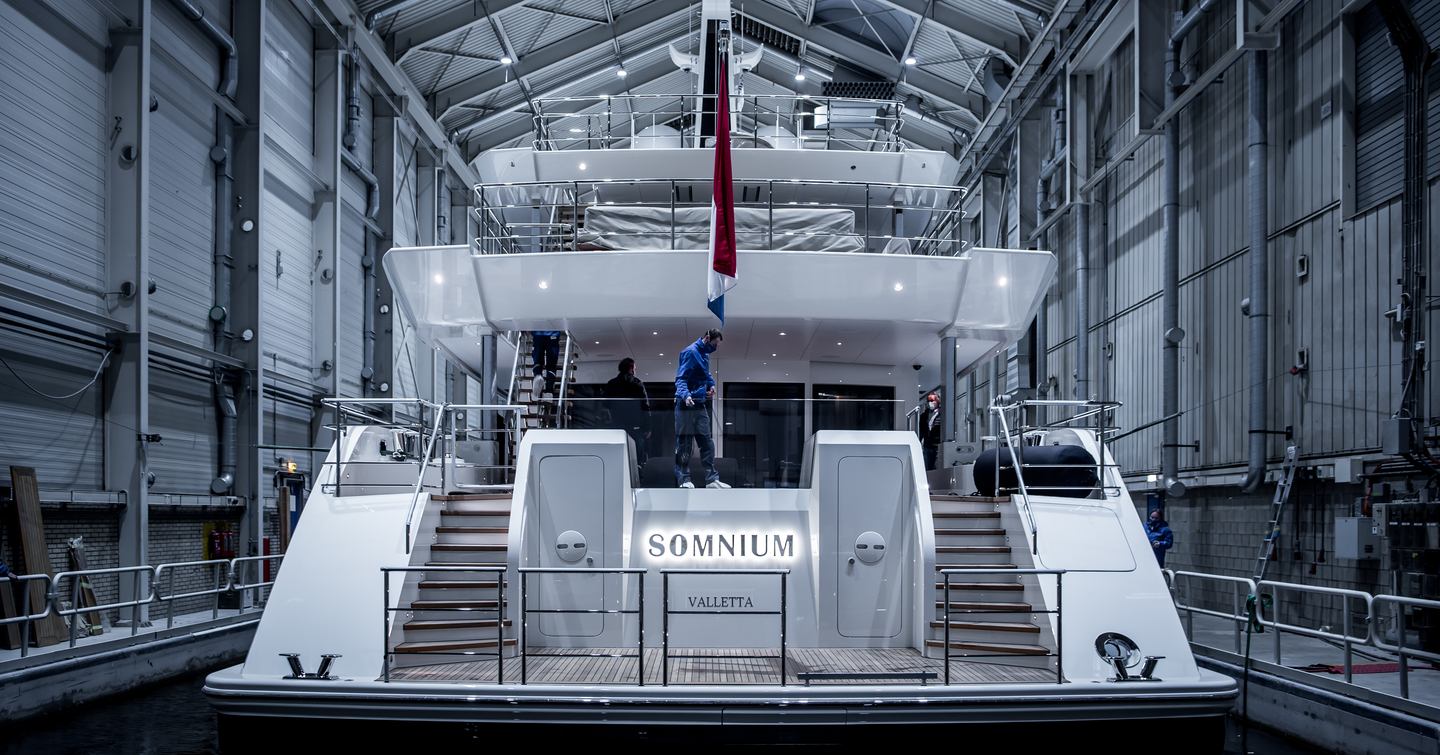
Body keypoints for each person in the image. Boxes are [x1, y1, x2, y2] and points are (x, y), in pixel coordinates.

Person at [674, 329, 729, 489]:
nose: (716, 347)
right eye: (715, 343)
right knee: (685, 443)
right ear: (706, 338)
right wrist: (686, 396)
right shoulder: (690, 352)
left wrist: (711, 385)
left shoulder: (704, 353)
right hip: (685, 405)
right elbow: (681, 379)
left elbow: (705, 373)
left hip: (699, 403)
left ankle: (711, 480)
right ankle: (683, 479)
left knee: (706, 441)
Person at [605, 357, 651, 467]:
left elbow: (605, 405)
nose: (635, 370)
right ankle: (638, 470)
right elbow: (645, 406)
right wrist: (648, 426)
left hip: (617, 423)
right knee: (638, 450)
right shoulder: (637, 383)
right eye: (635, 368)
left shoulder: (612, 383)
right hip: (635, 424)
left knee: (617, 450)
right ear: (631, 369)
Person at [530, 331, 561, 398]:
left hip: (537, 334)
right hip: (553, 334)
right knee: (551, 364)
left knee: (537, 361)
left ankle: (538, 375)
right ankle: (549, 389)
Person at [918, 392, 942, 471]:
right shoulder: (924, 415)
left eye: (932, 400)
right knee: (927, 467)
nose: (930, 403)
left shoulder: (942, 414)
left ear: (937, 401)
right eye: (928, 401)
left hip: (938, 445)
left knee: (937, 466)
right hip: (927, 445)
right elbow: (921, 430)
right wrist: (919, 442)